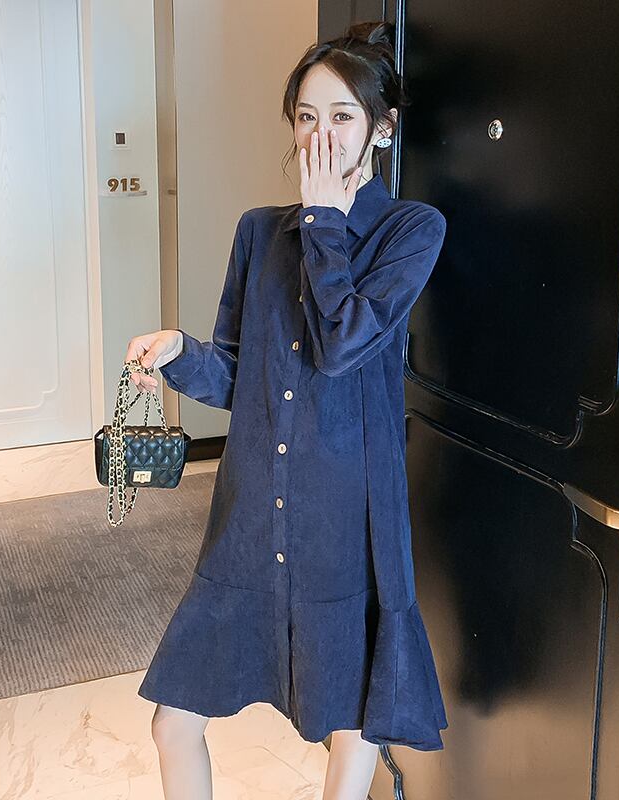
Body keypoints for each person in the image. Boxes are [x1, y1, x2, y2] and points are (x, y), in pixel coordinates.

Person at [124, 20, 449, 800]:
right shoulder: (258, 233)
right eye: (306, 116)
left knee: (351, 715)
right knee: (173, 722)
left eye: (341, 116)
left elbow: (342, 345)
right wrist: (179, 352)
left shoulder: (411, 231)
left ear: (382, 128)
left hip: (347, 520)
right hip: (249, 519)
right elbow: (242, 379)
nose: (320, 135)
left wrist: (325, 222)